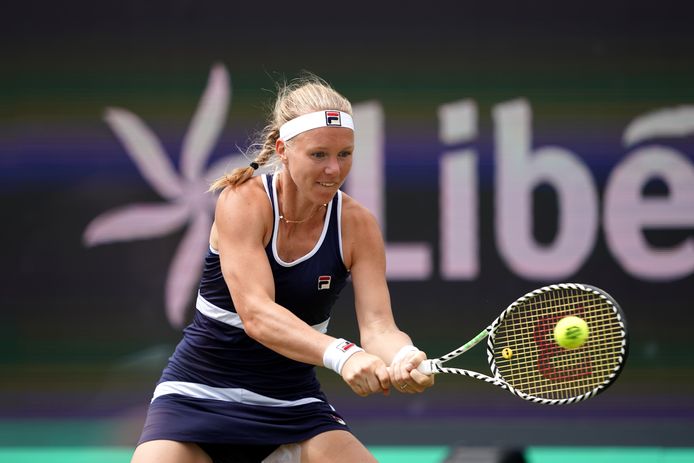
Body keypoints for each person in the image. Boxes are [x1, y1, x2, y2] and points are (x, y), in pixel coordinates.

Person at [130, 74, 435, 463]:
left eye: (344, 154)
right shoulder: (242, 202)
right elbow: (257, 314)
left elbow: (379, 327)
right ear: (283, 150)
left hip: (293, 404)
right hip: (199, 393)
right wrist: (343, 355)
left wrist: (403, 356)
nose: (334, 169)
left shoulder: (358, 225)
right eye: (318, 155)